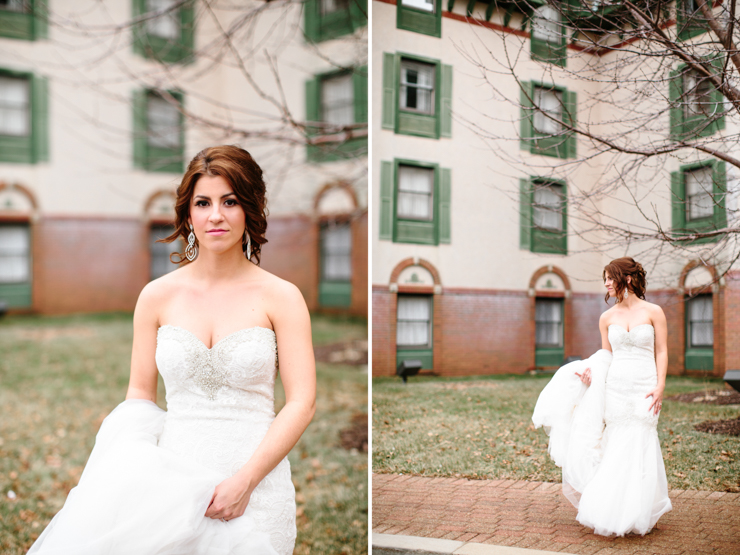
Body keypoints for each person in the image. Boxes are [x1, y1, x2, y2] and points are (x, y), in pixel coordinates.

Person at [28, 145, 316, 555]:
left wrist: (246, 480)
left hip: (258, 483)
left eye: (230, 201)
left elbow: (302, 402)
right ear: (188, 213)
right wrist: (136, 473)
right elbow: (139, 395)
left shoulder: (282, 297)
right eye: (203, 202)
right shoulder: (156, 297)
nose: (216, 215)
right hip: (174, 484)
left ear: (250, 209)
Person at [532, 257, 672, 536]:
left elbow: (662, 351)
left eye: (611, 277)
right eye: (605, 278)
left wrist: (660, 386)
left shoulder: (654, 311)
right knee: (618, 441)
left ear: (627, 279)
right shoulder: (606, 317)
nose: (606, 283)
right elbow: (606, 356)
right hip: (616, 387)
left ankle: (640, 508)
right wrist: (590, 374)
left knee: (643, 440)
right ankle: (613, 508)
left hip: (645, 385)